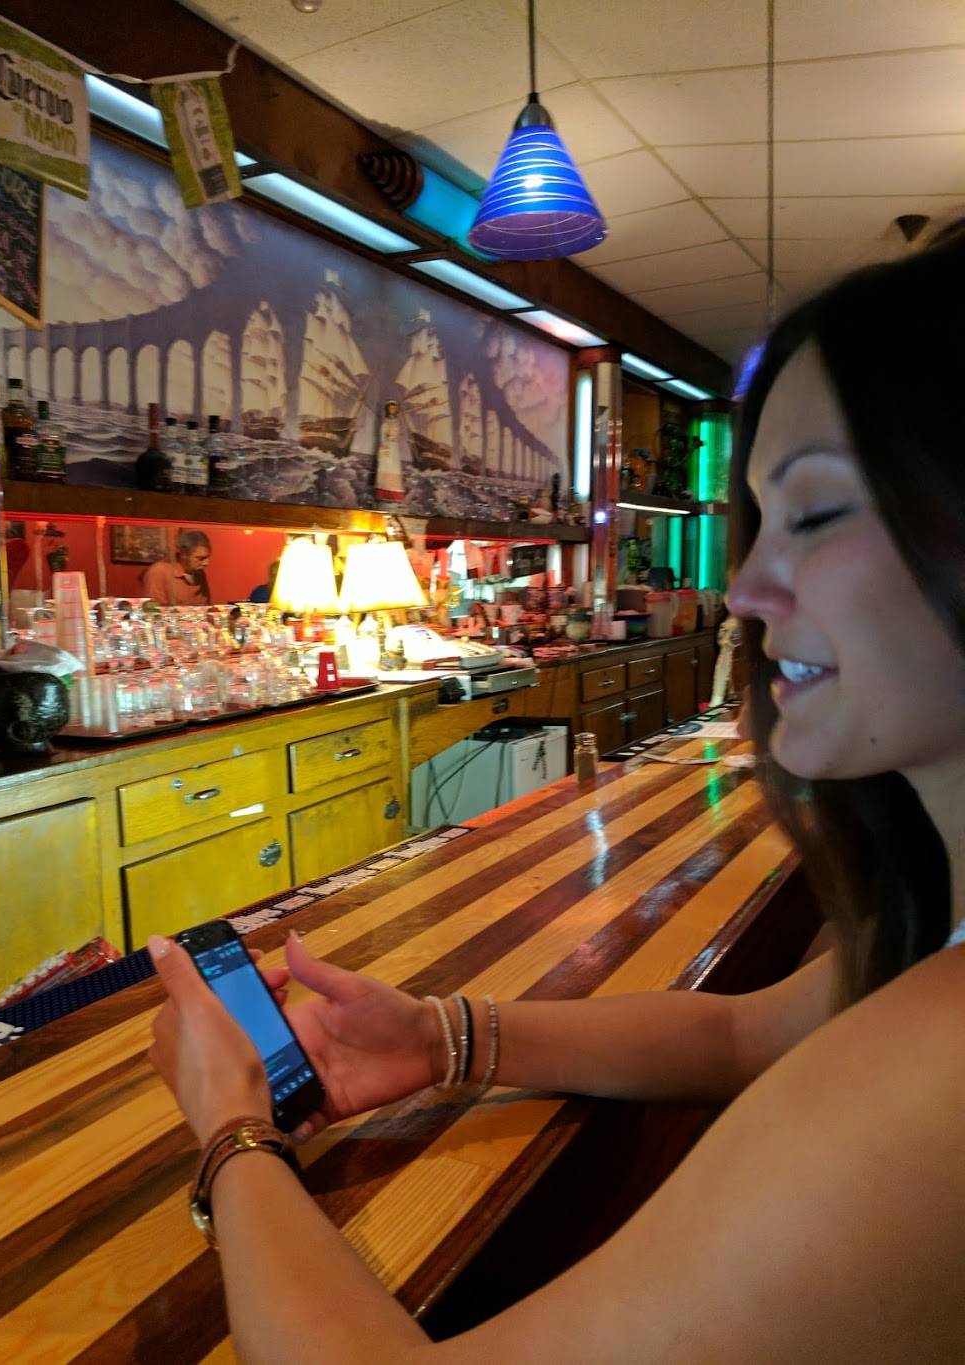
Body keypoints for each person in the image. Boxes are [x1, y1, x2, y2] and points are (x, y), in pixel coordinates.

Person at [149, 237, 965, 1361]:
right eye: (760, 521)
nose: (743, 588)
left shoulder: (934, 1072)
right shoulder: (923, 941)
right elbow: (739, 1034)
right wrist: (439, 1036)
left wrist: (234, 1131)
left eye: (818, 515)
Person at [142, 529, 212, 606]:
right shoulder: (159, 571)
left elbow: (205, 606)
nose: (206, 563)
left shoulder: (199, 572)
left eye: (207, 557)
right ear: (183, 554)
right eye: (200, 558)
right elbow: (152, 610)